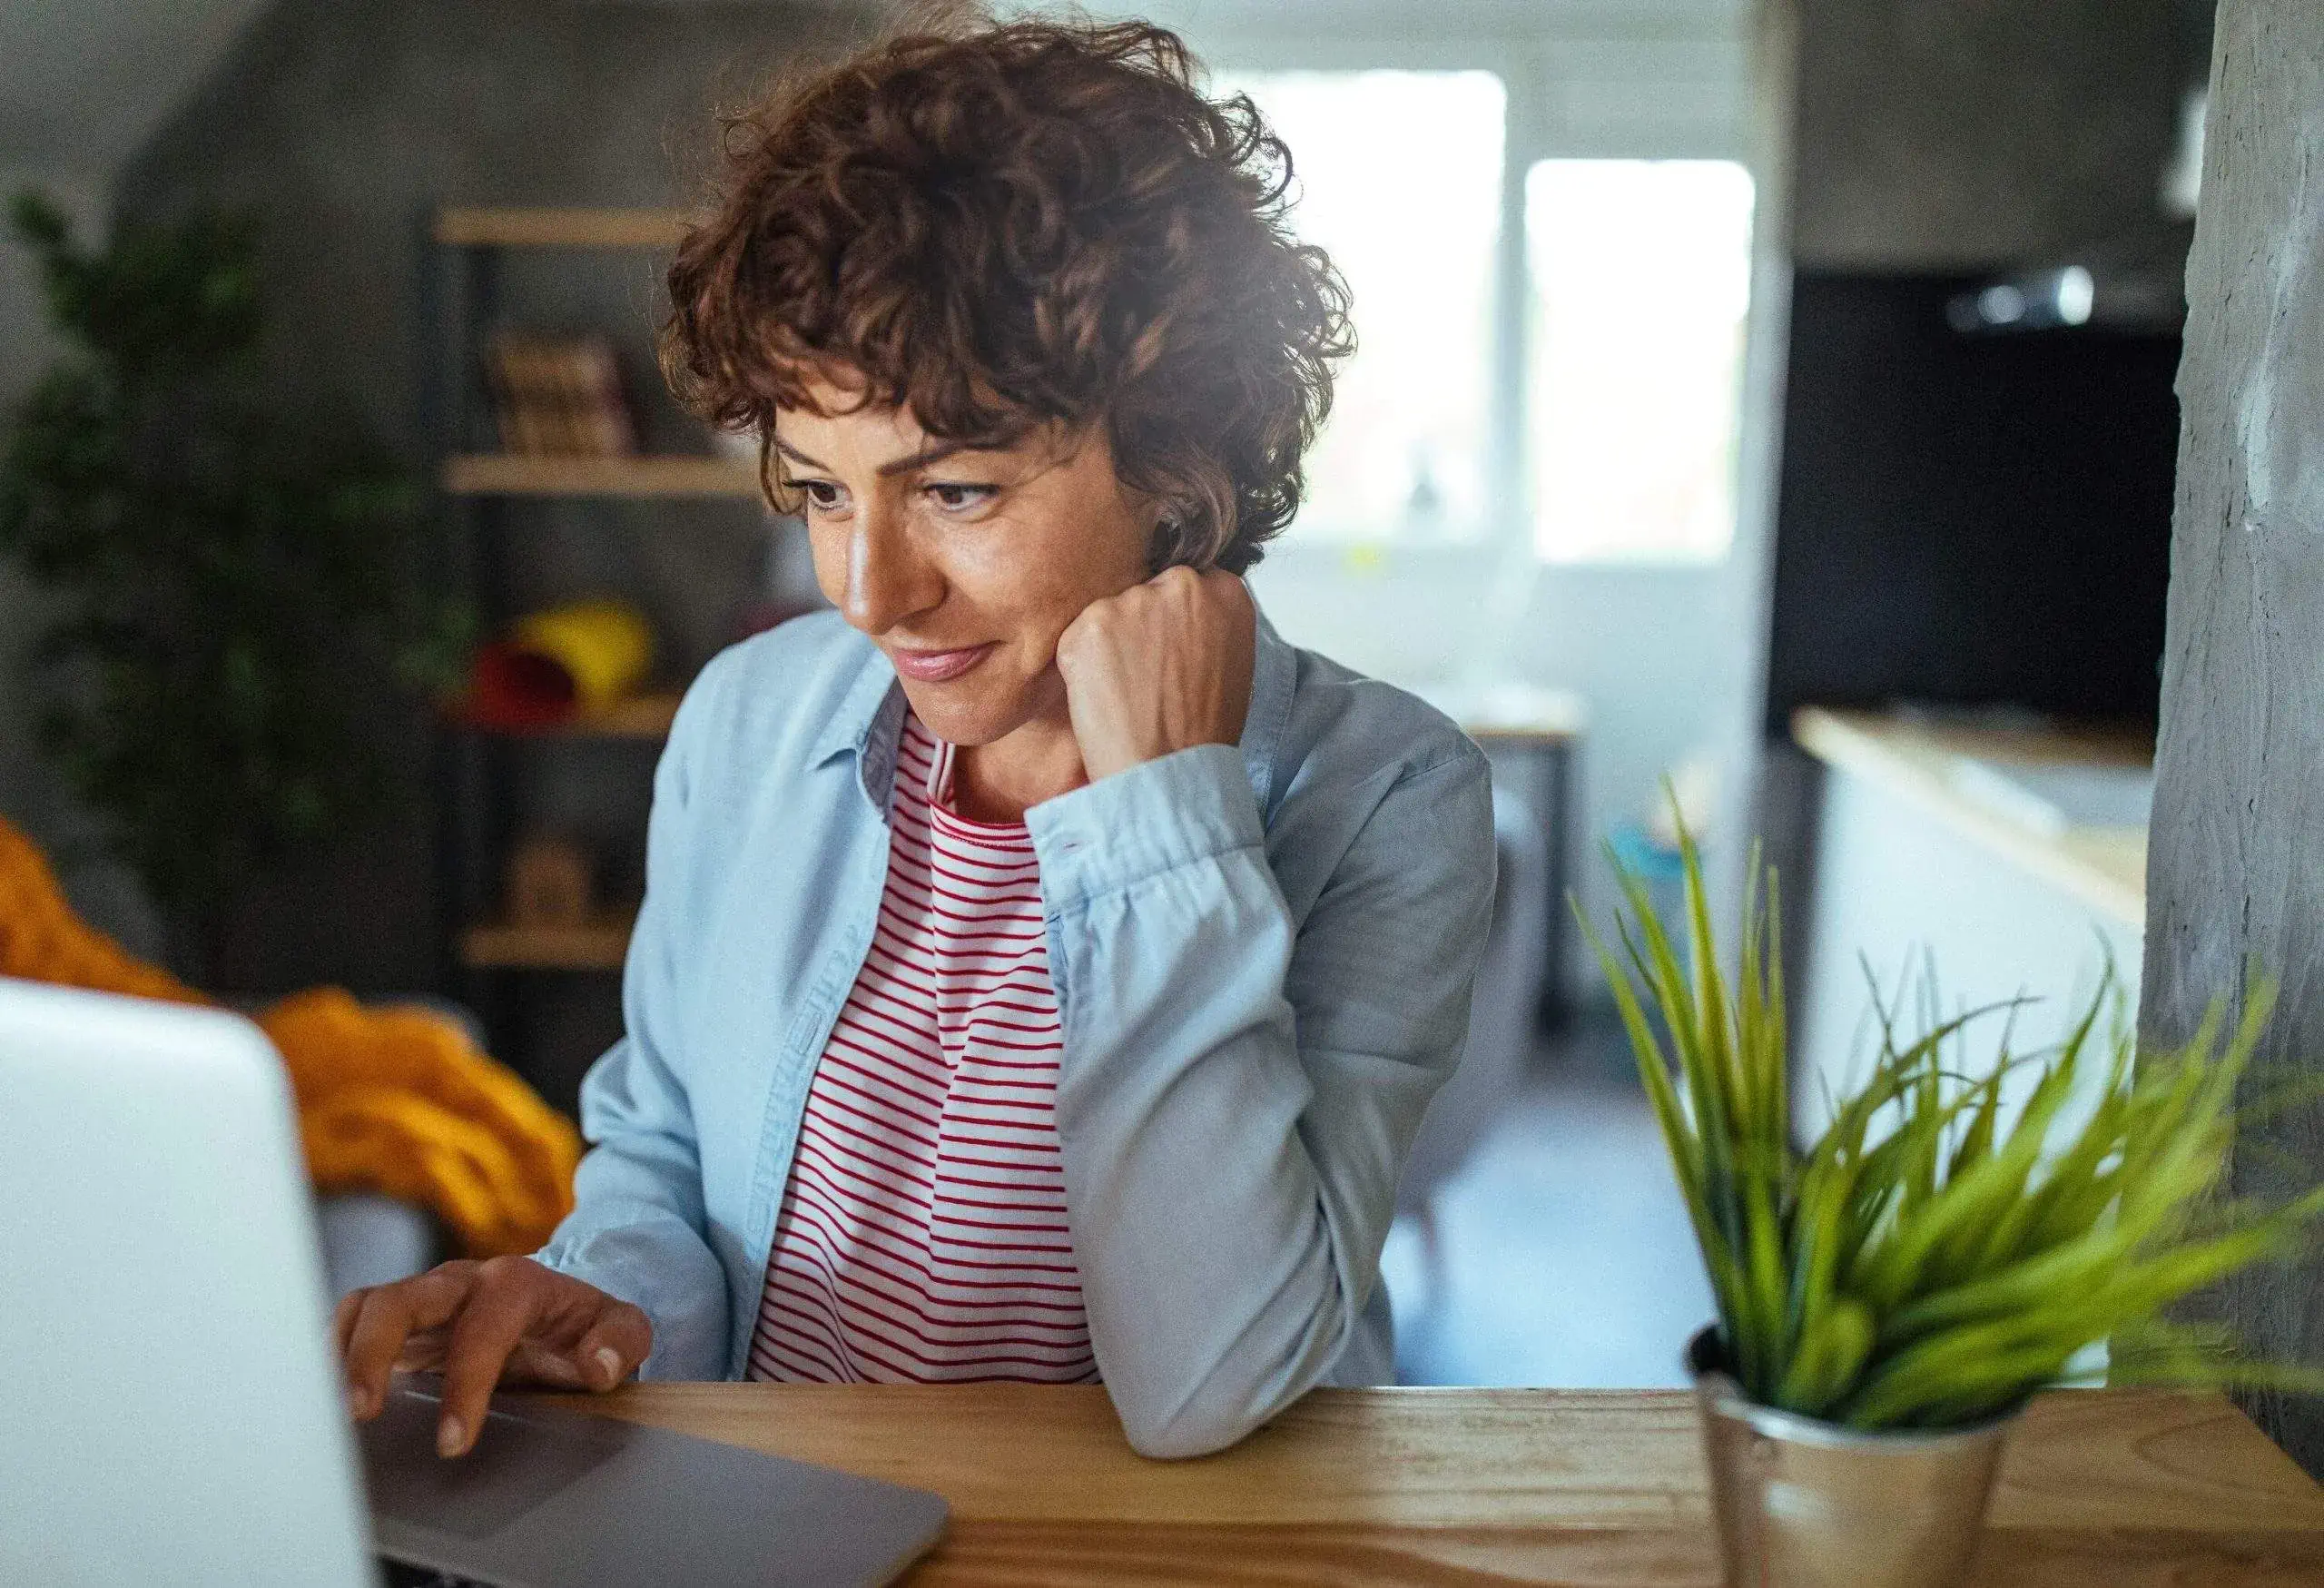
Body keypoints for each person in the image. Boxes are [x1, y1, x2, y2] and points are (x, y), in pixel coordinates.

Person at [337, 10, 1496, 1462]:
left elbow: (1216, 1380)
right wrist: (604, 1303)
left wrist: (1166, 818)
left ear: (1181, 454)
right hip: (776, 1528)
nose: (869, 595)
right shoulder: (746, 726)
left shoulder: (1389, 796)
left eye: (954, 490)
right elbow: (661, 1159)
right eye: (824, 490)